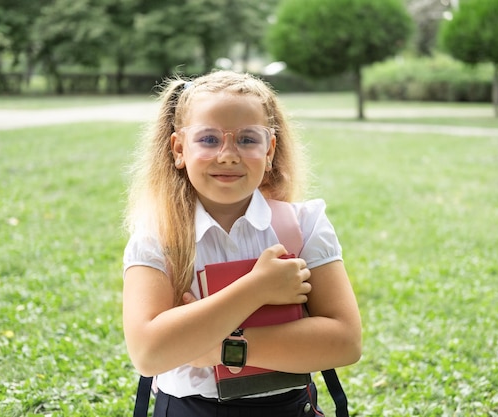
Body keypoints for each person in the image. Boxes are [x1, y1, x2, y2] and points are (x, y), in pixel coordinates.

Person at [122, 70, 362, 417]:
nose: (228, 155)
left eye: (248, 140)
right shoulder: (157, 236)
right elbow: (148, 353)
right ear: (179, 149)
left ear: (269, 151)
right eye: (208, 139)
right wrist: (258, 287)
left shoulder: (304, 225)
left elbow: (345, 342)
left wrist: (218, 347)